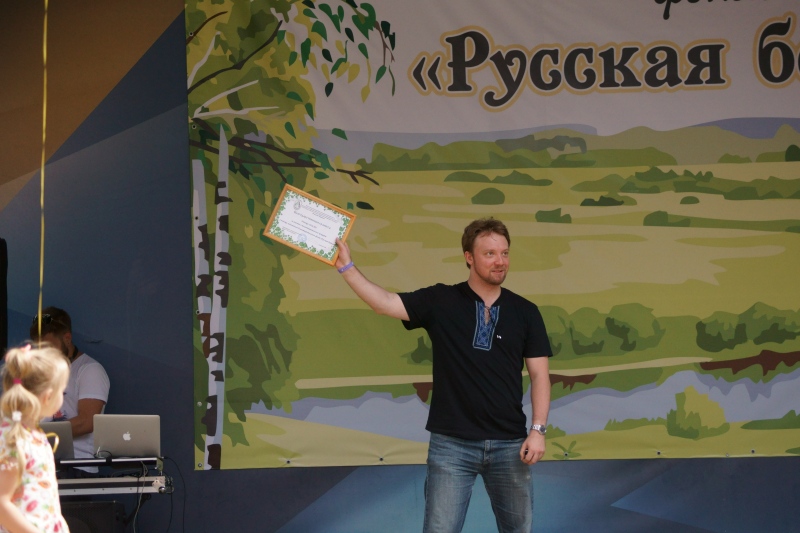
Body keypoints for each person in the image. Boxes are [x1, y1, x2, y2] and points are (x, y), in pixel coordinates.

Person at [335, 217, 552, 533]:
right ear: (469, 257)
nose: (500, 261)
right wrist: (346, 267)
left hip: (510, 444)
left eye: (504, 253)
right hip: (452, 446)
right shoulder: (441, 300)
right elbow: (385, 304)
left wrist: (538, 430)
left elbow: (540, 376)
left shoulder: (526, 311)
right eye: (490, 253)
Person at [0, 343, 70, 532]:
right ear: (48, 397)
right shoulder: (14, 438)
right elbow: (2, 503)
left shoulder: (35, 434)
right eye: (62, 391)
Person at [30, 307, 110, 472]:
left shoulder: (89, 369)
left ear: (67, 338)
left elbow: (87, 422)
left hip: (75, 467)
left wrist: (35, 434)